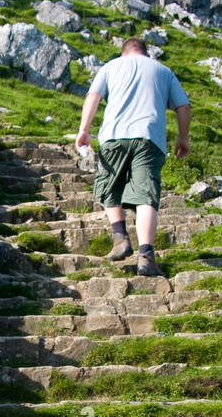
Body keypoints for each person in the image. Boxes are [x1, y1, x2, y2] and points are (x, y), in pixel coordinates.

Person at [75, 37, 191, 277]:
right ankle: (146, 257)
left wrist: (84, 130)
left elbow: (93, 97)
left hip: (113, 136)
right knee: (145, 195)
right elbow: (183, 106)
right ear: (145, 53)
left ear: (124, 52)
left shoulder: (110, 67)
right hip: (149, 139)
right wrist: (183, 138)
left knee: (107, 187)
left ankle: (120, 238)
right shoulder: (164, 71)